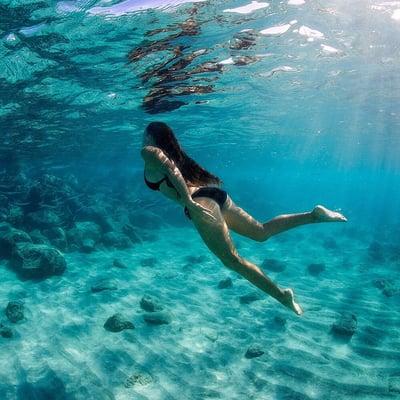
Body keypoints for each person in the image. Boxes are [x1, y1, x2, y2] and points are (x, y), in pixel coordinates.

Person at [141, 122, 347, 315]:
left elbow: (171, 170)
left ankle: (282, 296)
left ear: (151, 136)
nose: (141, 138)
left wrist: (187, 201)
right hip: (213, 195)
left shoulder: (148, 152)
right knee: (261, 232)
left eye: (144, 134)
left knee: (232, 260)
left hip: (199, 202)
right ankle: (314, 216)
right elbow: (173, 168)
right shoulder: (175, 154)